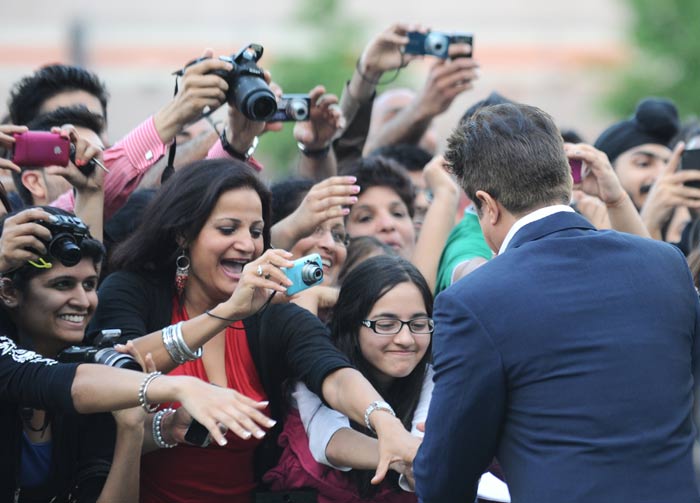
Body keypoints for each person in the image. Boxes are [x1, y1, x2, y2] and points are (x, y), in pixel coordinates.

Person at [413, 103, 700, 502]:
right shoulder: (667, 264)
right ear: (565, 177)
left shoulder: (473, 300)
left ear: (488, 204)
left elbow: (444, 480)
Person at [87, 158, 418, 502]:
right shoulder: (133, 290)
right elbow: (118, 375)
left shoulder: (269, 315)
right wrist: (228, 313)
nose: (247, 245)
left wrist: (385, 423)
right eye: (228, 229)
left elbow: (332, 373)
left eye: (257, 232)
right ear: (183, 232)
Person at [0, 206, 274, 501]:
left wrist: (135, 430)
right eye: (62, 284)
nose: (83, 301)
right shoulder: (27, 364)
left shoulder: (95, 375)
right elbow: (47, 378)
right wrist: (178, 386)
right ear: (9, 292)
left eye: (90, 285)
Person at [264, 255, 432, 503]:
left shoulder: (434, 376)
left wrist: (414, 456)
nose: (406, 339)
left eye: (419, 324)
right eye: (386, 324)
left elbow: (420, 443)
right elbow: (330, 440)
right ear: (352, 325)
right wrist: (401, 456)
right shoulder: (317, 371)